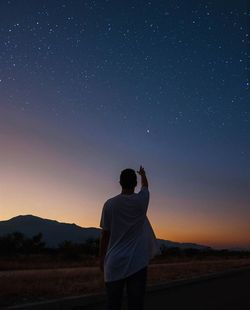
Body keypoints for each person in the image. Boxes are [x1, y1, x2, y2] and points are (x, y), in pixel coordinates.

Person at [99, 166, 159, 310]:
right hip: (137, 263)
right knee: (136, 305)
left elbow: (105, 235)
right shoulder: (141, 201)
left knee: (113, 304)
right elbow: (145, 186)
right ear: (135, 184)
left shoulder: (109, 204)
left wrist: (101, 259)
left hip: (114, 263)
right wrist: (143, 174)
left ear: (120, 182)